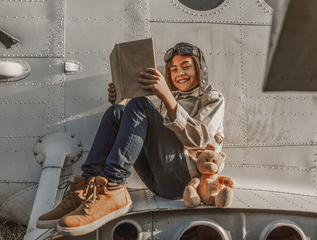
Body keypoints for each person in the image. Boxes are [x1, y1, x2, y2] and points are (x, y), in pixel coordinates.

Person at [36, 42, 225, 236]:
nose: (180, 73)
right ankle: (86, 187)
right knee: (117, 111)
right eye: (174, 69)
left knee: (140, 103)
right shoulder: (165, 100)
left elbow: (201, 141)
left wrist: (167, 97)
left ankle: (114, 186)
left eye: (186, 66)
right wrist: (122, 97)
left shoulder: (212, 98)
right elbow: (143, 138)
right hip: (156, 179)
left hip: (182, 182)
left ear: (200, 69)